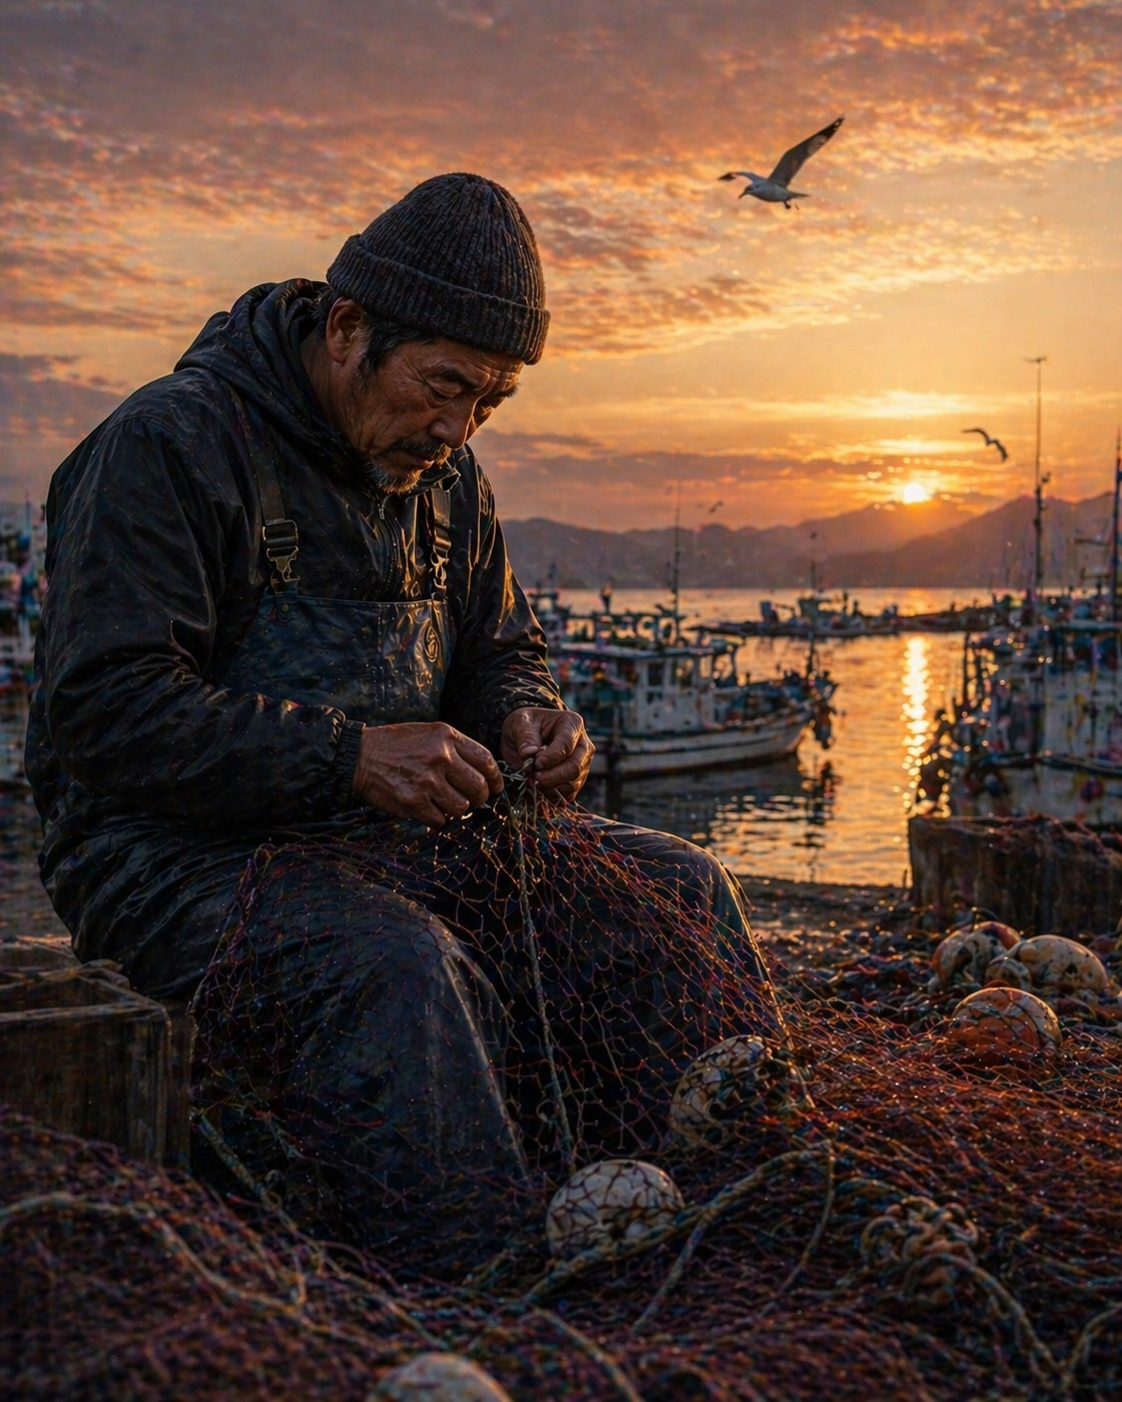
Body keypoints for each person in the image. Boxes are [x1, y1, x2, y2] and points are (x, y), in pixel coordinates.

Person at [27, 173, 778, 1268]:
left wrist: (531, 714)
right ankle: (481, 1275)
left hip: (380, 847)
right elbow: (101, 708)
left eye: (488, 403)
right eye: (443, 387)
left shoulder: (449, 480)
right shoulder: (168, 445)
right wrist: (347, 756)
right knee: (396, 963)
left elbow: (501, 648)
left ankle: (725, 1205)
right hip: (163, 861)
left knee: (679, 888)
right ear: (346, 330)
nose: (457, 425)